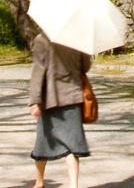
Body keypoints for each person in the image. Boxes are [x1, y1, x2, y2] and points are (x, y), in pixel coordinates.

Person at [28, 33, 91, 188]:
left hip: (50, 98)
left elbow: (38, 71)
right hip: (73, 96)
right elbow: (85, 67)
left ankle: (40, 181)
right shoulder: (77, 38)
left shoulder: (42, 39)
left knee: (43, 140)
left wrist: (34, 101)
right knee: (71, 145)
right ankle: (74, 185)